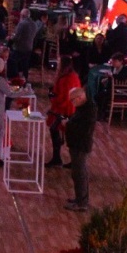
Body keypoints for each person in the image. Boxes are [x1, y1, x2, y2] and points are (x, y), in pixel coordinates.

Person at [65, 70, 99, 212]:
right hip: (76, 144)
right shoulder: (83, 108)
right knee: (76, 173)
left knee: (80, 174)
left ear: (79, 97)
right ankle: (80, 198)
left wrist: (68, 124)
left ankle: (82, 203)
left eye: (73, 100)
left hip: (81, 145)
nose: (72, 104)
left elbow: (83, 129)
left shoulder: (89, 110)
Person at [47, 55, 82, 168]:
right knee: (69, 135)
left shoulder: (67, 79)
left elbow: (64, 97)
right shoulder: (72, 76)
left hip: (64, 110)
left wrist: (53, 98)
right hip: (68, 109)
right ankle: (69, 160)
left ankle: (58, 159)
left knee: (60, 132)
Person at [8, 10, 40, 80]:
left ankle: (14, 78)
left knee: (12, 62)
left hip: (19, 48)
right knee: (25, 65)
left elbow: (16, 37)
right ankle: (25, 79)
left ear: (22, 15)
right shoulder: (34, 24)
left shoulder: (22, 23)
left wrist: (10, 38)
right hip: (29, 47)